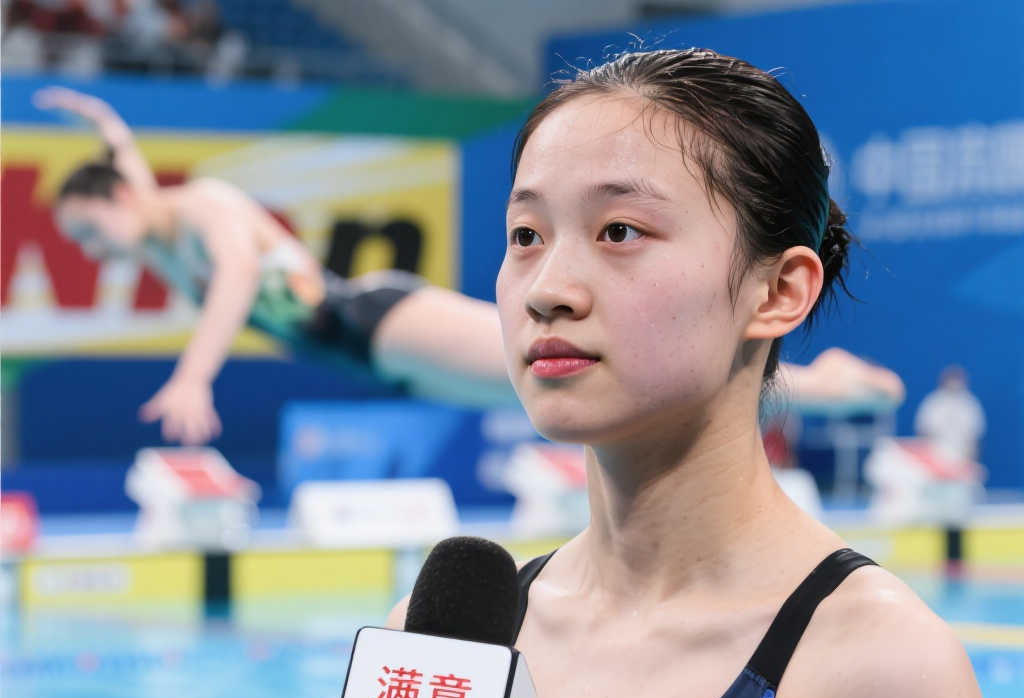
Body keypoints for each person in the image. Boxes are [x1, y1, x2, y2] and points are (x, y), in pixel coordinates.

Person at [388, 49, 995, 698]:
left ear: (778, 292)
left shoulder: (876, 669)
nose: (547, 290)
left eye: (620, 231)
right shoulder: (444, 644)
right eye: (527, 235)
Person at [37, 86, 903, 447]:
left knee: (600, 378)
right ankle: (821, 386)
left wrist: (195, 376)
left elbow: (233, 279)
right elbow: (124, 165)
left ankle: (827, 384)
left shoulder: (203, 208)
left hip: (376, 320)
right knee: (556, 399)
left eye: (87, 229)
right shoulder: (153, 228)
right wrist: (100, 122)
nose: (89, 248)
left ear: (119, 199)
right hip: (373, 360)